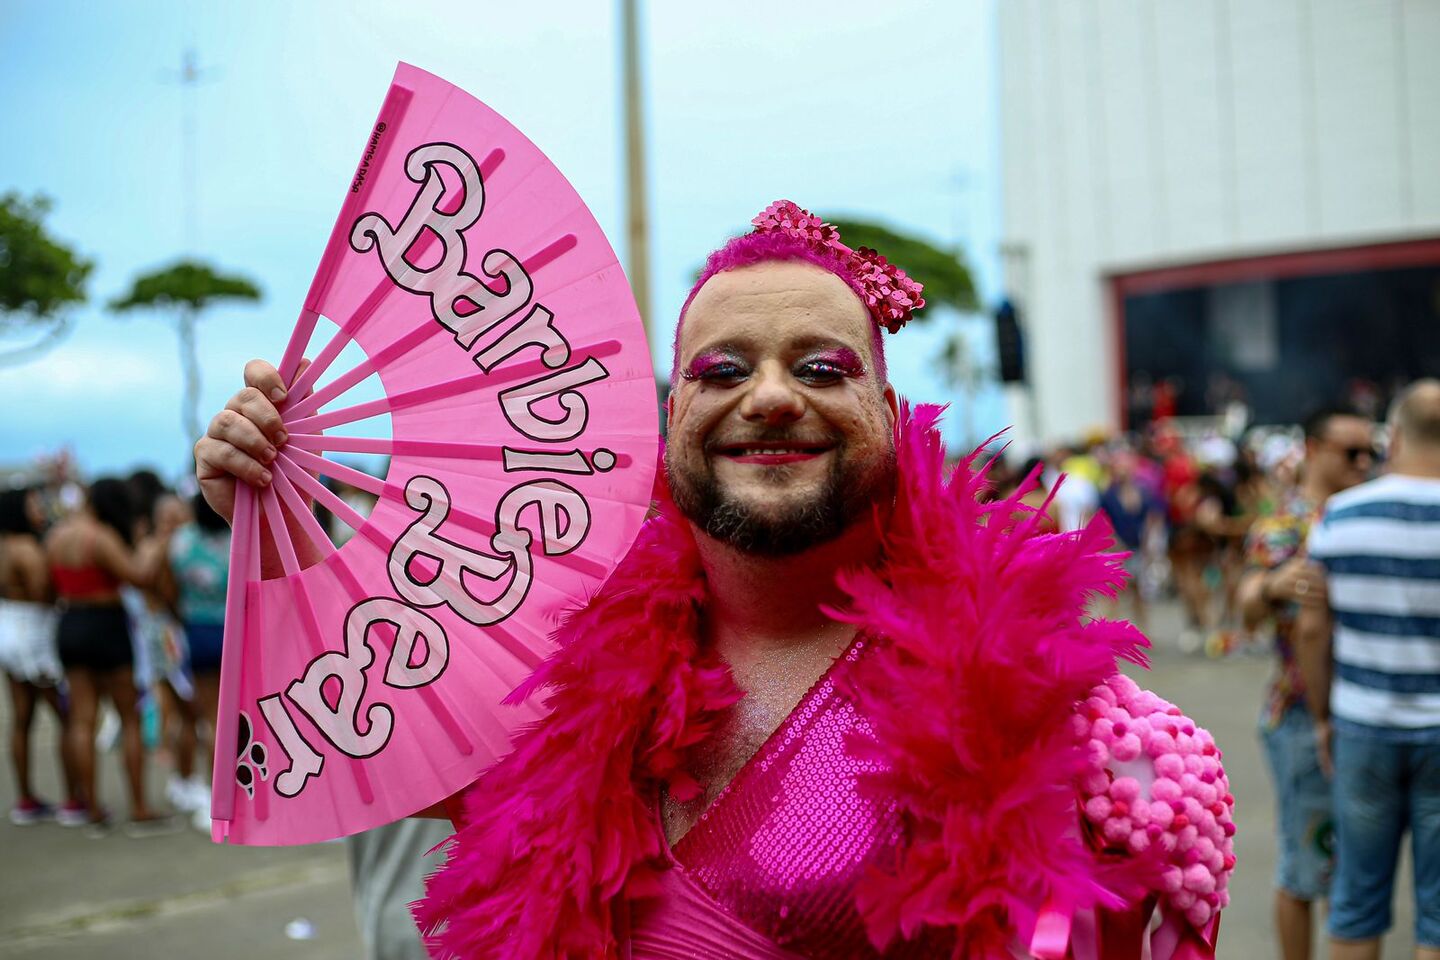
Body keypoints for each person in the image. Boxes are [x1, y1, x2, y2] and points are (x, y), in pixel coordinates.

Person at [196, 201, 1234, 958]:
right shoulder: (546, 660)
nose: (769, 398)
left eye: (823, 369)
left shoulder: (1056, 710)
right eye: (721, 371)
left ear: (891, 411)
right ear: (668, 416)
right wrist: (273, 508)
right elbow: (352, 719)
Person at [1296, 380, 1440, 960]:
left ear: (1395, 436)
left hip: (1361, 725)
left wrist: (1323, 718)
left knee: (1356, 899)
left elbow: (1311, 628)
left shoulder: (1341, 516)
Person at [1237, 406, 1376, 960]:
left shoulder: (1368, 514)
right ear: (1315, 450)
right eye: (1351, 452)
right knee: (1306, 863)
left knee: (1355, 866)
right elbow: (1245, 606)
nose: (1364, 463)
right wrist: (1272, 585)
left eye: (1371, 452)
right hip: (1300, 714)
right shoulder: (1284, 526)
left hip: (1368, 709)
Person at [44, 477, 168, 833]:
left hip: (70, 621)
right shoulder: (99, 537)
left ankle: (92, 807)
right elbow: (137, 577)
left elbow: (47, 585)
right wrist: (155, 545)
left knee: (81, 720)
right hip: (106, 623)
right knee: (129, 716)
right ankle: (140, 807)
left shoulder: (56, 537)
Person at [0, 486, 81, 825]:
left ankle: (26, 799)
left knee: (22, 717)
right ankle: (74, 800)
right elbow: (43, 593)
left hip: (7, 624)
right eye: (34, 504)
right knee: (66, 717)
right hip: (33, 632)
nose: (40, 509)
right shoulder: (27, 549)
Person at [165, 490, 231, 829]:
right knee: (245, 717)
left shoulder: (181, 541)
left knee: (211, 719)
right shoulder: (239, 535)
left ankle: (217, 798)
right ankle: (244, 793)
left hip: (198, 631)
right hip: (238, 631)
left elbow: (168, 585)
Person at [1098, 452, 1164, 632]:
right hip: (1117, 549)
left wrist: (1149, 541)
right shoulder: (1108, 495)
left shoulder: (1142, 493)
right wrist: (1115, 543)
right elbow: (1103, 522)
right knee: (1113, 592)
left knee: (1138, 592)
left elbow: (1151, 518)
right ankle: (1110, 630)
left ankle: (1143, 629)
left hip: (1137, 547)